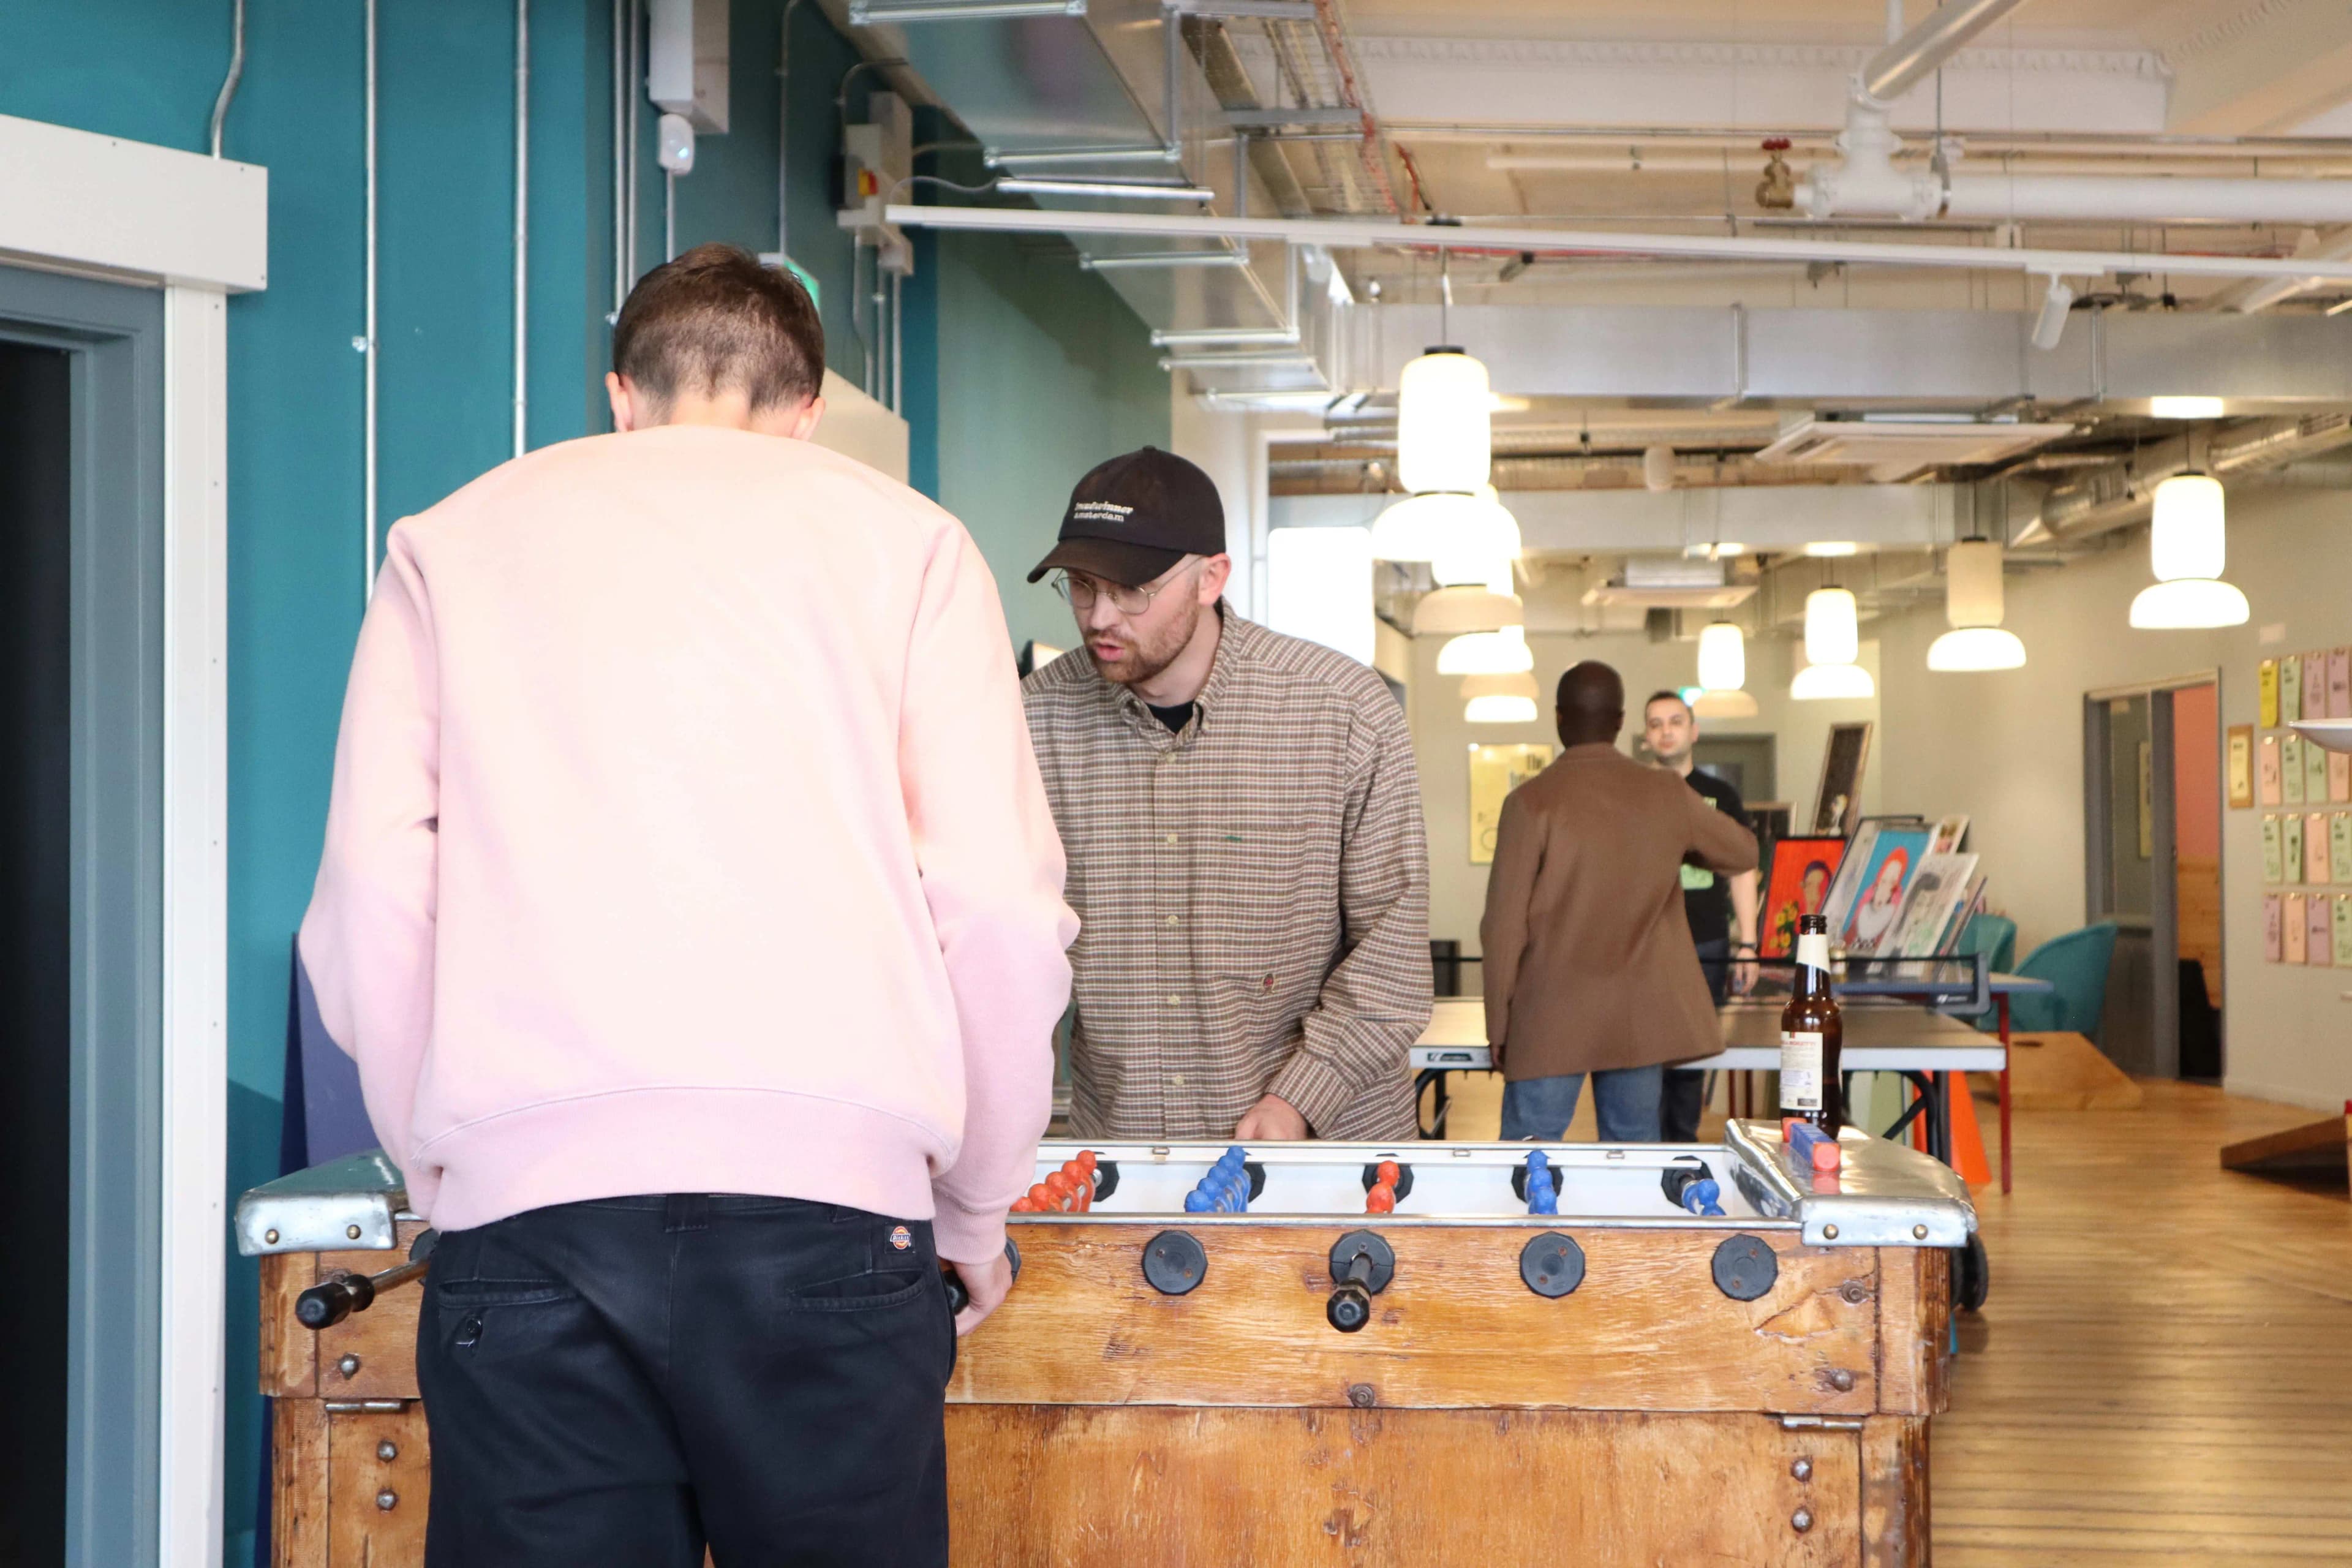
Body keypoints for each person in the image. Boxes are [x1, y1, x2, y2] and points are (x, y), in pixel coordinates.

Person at [298, 244, 1076, 1568]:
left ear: (622, 398)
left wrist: (457, 1164)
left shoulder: (449, 544)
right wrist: (975, 1207)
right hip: (836, 1216)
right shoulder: (913, 547)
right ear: (808, 414)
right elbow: (998, 907)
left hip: (525, 1227)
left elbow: (373, 893)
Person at [1021, 447, 1432, 1144]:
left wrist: (1301, 1098)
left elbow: (1391, 950)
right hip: (1130, 1146)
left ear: (1211, 577)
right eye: (1083, 586)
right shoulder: (1032, 723)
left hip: (1325, 1153)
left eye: (1131, 589)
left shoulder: (1343, 713)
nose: (1098, 617)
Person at [1480, 662, 1758, 1142]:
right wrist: (1679, 839)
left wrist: (1499, 1026)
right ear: (1621, 722)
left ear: (1559, 718)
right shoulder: (1667, 793)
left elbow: (1502, 927)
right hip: (1638, 1019)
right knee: (1631, 1164)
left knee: (1527, 1160)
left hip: (1549, 1016)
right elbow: (1743, 853)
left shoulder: (1529, 802)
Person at [1640, 690, 1760, 1142]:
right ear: (1646, 736)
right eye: (1656, 724)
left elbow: (1743, 869)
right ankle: (1646, 1150)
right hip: (1646, 943)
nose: (1666, 731)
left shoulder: (1721, 795)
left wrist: (1748, 944)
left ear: (1694, 731)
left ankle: (1681, 1145)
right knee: (1646, 1052)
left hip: (1706, 940)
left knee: (1691, 1055)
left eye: (1675, 721)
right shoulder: (1634, 793)